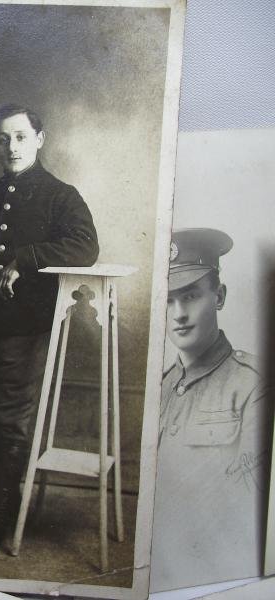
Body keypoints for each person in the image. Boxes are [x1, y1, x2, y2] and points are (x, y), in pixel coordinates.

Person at [0, 104, 99, 555]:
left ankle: (1, 512)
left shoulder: (60, 195)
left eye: (21, 137)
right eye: (2, 139)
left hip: (26, 325)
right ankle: (9, 495)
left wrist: (25, 259)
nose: (12, 147)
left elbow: (85, 246)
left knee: (11, 418)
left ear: (40, 139)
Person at [151, 228, 270, 590]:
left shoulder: (254, 385)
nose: (179, 314)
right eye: (169, 300)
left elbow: (251, 511)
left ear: (219, 296)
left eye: (190, 296)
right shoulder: (159, 387)